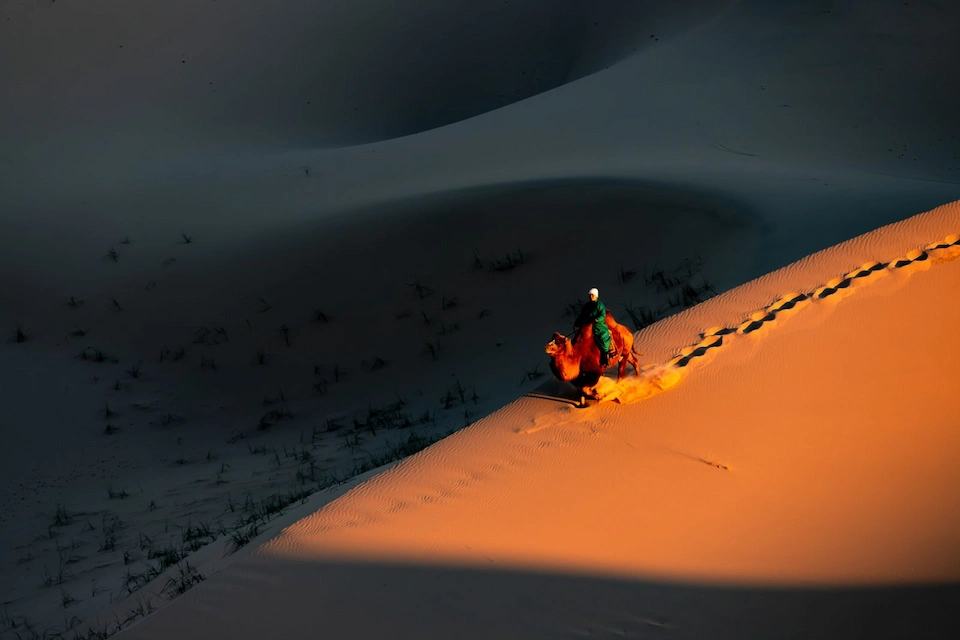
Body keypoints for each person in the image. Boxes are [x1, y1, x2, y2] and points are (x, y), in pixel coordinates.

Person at [574, 287, 616, 366]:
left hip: (598, 325)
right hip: (587, 325)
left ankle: (605, 357)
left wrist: (597, 320)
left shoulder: (600, 305)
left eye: (592, 295)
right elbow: (582, 315)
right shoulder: (587, 305)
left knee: (603, 338)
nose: (591, 296)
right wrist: (578, 321)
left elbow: (603, 315)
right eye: (590, 295)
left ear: (596, 296)